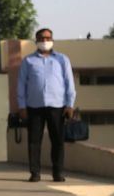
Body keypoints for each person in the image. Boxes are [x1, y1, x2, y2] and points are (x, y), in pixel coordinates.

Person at [18, 28, 76, 183]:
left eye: (48, 38)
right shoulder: (28, 61)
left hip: (57, 106)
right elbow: (22, 84)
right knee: (34, 141)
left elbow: (69, 83)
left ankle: (58, 173)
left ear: (52, 39)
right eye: (42, 38)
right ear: (36, 41)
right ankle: (35, 173)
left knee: (57, 141)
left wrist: (70, 105)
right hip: (34, 106)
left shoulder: (62, 59)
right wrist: (22, 106)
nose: (45, 41)